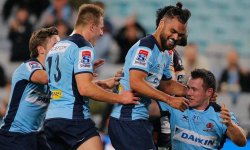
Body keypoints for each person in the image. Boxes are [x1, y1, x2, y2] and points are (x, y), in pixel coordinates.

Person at [43, 4, 138, 150]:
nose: (101, 33)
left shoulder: (58, 47)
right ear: (92, 27)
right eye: (100, 28)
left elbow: (69, 85)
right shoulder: (83, 47)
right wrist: (121, 98)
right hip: (74, 119)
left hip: (51, 120)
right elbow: (85, 89)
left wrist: (107, 82)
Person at [108, 2, 191, 150]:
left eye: (180, 35)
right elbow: (136, 82)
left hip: (138, 120)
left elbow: (166, 84)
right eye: (173, 31)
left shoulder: (164, 52)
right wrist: (170, 100)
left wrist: (194, 92)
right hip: (127, 119)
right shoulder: (146, 47)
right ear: (161, 24)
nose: (175, 37)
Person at [0, 27, 60, 150]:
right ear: (41, 50)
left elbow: (59, 95)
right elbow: (44, 78)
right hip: (14, 135)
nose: (61, 49)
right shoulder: (29, 66)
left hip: (35, 135)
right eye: (56, 45)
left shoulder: (53, 78)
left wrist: (87, 80)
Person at [158, 68, 247, 149]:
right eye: (188, 88)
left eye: (194, 89)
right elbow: (150, 108)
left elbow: (242, 142)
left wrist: (230, 125)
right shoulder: (177, 105)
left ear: (209, 92)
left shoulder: (221, 115)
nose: (188, 93)